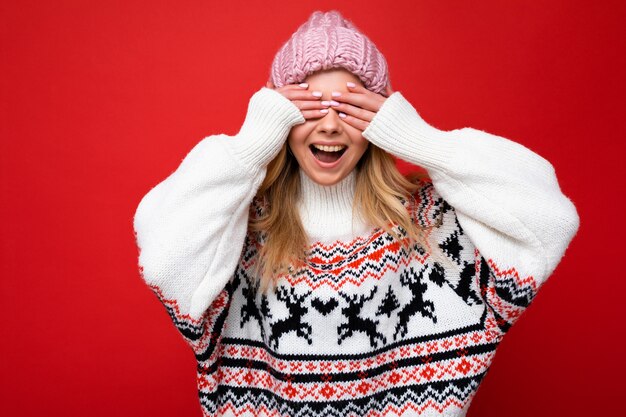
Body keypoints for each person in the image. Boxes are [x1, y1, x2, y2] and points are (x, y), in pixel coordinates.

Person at [132, 10, 580, 417]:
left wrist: (423, 141)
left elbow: (548, 216)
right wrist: (250, 145)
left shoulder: (430, 225)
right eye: (309, 105)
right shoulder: (236, 229)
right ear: (279, 116)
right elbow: (162, 257)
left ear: (380, 117)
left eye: (349, 106)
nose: (329, 124)